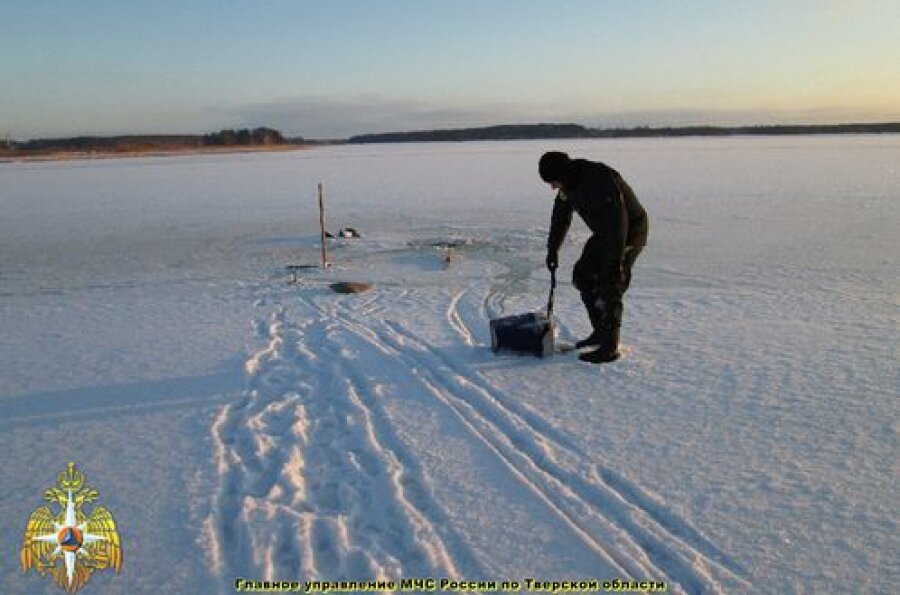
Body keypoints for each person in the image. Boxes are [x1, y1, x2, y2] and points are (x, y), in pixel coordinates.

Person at [539, 151, 648, 363]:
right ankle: (600, 332)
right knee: (583, 276)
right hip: (604, 232)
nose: (553, 187)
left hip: (628, 234)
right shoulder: (568, 185)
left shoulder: (598, 179)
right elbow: (560, 217)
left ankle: (610, 346)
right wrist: (553, 249)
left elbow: (619, 221)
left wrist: (615, 262)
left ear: (563, 173)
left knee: (610, 283)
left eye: (554, 182)